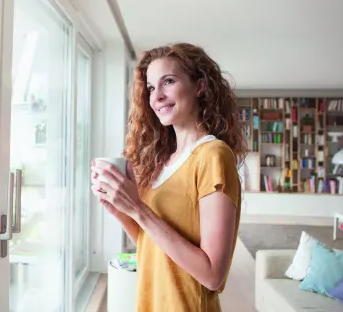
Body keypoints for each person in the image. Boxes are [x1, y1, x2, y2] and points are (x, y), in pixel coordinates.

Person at [90, 42, 246, 312]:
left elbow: (212, 275)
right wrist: (120, 208)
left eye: (169, 81)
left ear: (200, 86)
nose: (157, 96)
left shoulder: (213, 155)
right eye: (151, 88)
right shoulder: (164, 161)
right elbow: (150, 242)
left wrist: (138, 208)